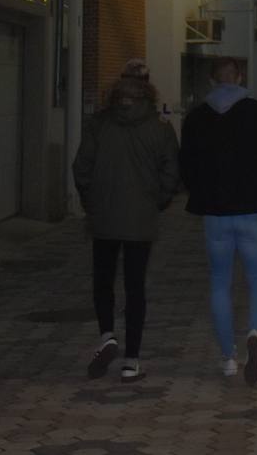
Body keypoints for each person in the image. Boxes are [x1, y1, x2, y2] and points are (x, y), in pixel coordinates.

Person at [180, 56, 257, 384]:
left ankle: (228, 357)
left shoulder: (196, 118)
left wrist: (201, 193)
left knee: (219, 282)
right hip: (255, 209)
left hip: (215, 213)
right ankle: (254, 332)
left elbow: (186, 164)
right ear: (240, 78)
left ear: (212, 81)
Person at [72, 64, 179, 383]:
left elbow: (81, 169)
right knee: (135, 287)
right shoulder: (159, 128)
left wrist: (92, 203)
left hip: (104, 218)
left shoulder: (98, 124)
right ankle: (131, 361)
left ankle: (107, 334)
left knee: (103, 281)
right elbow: (171, 172)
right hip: (141, 219)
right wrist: (157, 202)